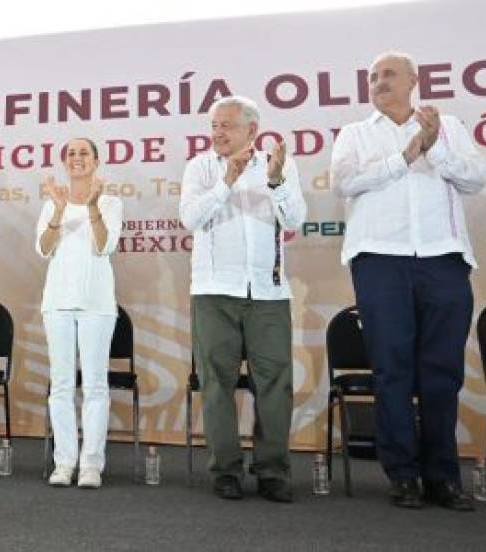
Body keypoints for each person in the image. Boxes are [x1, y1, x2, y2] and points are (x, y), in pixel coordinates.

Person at [331, 51, 486, 511]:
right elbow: (344, 183)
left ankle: (443, 477)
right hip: (380, 260)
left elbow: (476, 178)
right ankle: (402, 475)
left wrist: (435, 145)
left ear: (414, 81)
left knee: (442, 372)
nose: (379, 82)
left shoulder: (449, 127)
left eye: (388, 75)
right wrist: (405, 156)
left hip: (443, 259)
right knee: (392, 368)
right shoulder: (355, 134)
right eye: (373, 76)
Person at [180, 95, 306, 502]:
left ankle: (272, 471)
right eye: (214, 125)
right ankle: (225, 470)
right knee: (216, 382)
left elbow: (294, 220)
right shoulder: (199, 168)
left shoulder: (278, 165)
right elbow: (191, 219)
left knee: (275, 383)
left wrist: (276, 181)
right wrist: (226, 182)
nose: (217, 133)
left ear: (252, 130)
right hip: (215, 291)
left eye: (227, 125)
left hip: (268, 292)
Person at [37, 138, 123, 489]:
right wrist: (58, 210)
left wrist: (91, 207)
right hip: (57, 302)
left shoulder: (111, 202)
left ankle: (91, 464)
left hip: (96, 304)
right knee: (60, 386)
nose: (76, 158)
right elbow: (44, 249)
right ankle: (64, 462)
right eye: (71, 154)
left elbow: (104, 245)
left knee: (94, 386)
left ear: (96, 161)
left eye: (83, 153)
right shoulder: (51, 204)